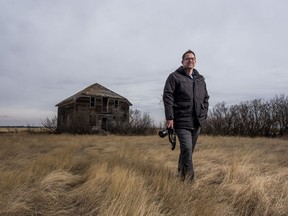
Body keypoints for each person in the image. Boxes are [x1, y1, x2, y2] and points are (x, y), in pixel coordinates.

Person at [162, 50, 209, 181]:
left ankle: (181, 175)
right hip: (181, 120)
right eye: (187, 58)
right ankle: (190, 181)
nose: (190, 60)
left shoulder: (200, 79)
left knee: (187, 152)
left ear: (195, 61)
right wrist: (170, 117)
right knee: (187, 149)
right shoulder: (174, 77)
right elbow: (168, 97)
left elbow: (206, 98)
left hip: (197, 122)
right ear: (182, 61)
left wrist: (203, 115)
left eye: (193, 58)